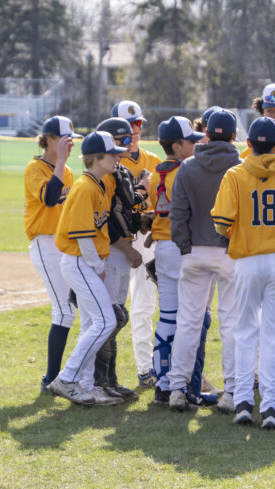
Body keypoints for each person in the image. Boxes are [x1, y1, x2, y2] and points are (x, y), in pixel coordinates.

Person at [211, 117, 275, 429]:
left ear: (249, 144)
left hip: (248, 260)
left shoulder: (235, 173)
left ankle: (242, 401)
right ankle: (270, 407)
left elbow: (221, 223)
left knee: (245, 331)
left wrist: (243, 232)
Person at [166, 109, 242, 414]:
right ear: (234, 136)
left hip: (195, 250)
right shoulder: (241, 166)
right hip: (230, 252)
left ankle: (176, 389)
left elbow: (178, 213)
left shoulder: (188, 166)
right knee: (232, 324)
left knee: (188, 322)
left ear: (207, 133)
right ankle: (233, 391)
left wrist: (185, 247)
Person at [47, 131, 126, 405]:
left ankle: (85, 384)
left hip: (86, 262)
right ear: (96, 158)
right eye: (112, 153)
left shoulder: (99, 184)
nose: (118, 157)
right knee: (106, 321)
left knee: (94, 323)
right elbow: (83, 236)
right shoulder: (85, 187)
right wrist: (97, 265)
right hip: (81, 261)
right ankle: (67, 378)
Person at [148, 116, 217, 407]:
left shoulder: (155, 174)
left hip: (162, 247)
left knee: (168, 316)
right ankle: (186, 382)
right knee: (194, 319)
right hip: (181, 247)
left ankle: (163, 382)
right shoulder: (186, 172)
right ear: (176, 146)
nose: (196, 143)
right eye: (190, 140)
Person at [91, 117, 149, 403]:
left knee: (116, 315)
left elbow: (127, 211)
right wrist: (127, 248)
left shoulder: (120, 171)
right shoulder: (107, 175)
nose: (131, 142)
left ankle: (109, 380)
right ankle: (99, 381)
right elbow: (109, 221)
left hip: (120, 250)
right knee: (110, 318)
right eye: (123, 139)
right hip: (112, 250)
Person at [24, 116, 79, 393]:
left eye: (71, 140)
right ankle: (51, 379)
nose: (69, 145)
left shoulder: (66, 171)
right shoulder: (35, 169)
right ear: (48, 140)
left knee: (81, 307)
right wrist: (59, 162)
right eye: (63, 140)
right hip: (44, 244)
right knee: (64, 310)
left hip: (64, 244)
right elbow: (48, 198)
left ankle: (76, 374)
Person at [111, 100, 163, 387]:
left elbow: (161, 204)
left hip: (146, 238)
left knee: (144, 305)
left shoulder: (154, 162)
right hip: (117, 240)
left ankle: (147, 369)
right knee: (112, 309)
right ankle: (104, 376)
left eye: (138, 123)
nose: (135, 129)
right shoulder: (106, 161)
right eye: (129, 125)